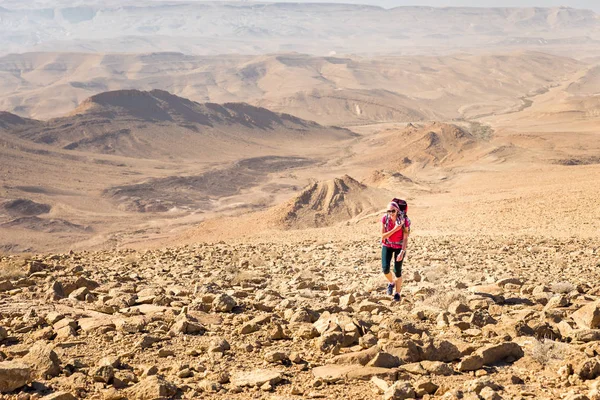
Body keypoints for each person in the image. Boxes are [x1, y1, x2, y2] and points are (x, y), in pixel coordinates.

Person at [381, 200, 410, 301]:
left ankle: (397, 293)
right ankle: (391, 282)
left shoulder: (404, 220)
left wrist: (402, 251)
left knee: (397, 271)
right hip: (387, 244)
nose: (391, 213)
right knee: (385, 268)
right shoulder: (385, 219)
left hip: (399, 247)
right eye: (388, 211)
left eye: (393, 211)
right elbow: (383, 236)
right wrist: (395, 229)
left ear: (397, 210)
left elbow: (405, 237)